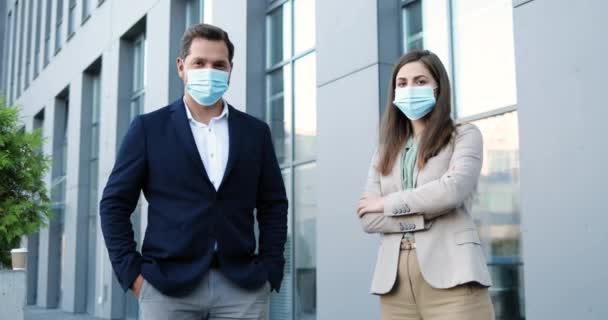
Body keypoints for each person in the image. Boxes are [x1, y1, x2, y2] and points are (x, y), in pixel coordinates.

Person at [99, 23, 288, 320]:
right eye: (199, 63)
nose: (209, 71)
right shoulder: (149, 129)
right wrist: (132, 274)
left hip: (242, 288)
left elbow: (273, 205)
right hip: (166, 288)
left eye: (218, 64)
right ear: (181, 67)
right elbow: (114, 203)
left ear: (230, 69)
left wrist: (270, 268)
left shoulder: (255, 133)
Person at [357, 50, 495, 320]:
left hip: (453, 278)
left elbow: (451, 191)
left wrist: (386, 203)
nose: (410, 88)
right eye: (402, 83)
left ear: (438, 88)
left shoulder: (463, 135)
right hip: (395, 285)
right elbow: (368, 219)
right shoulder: (384, 151)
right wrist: (421, 218)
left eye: (420, 81)